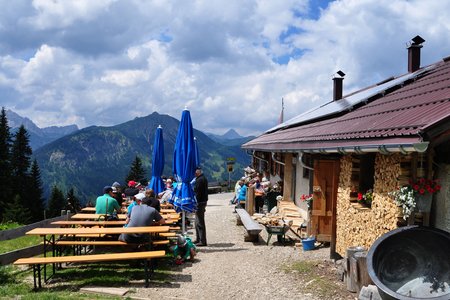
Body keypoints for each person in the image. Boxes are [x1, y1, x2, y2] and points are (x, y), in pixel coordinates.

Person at [193, 167, 208, 246]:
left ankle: (202, 241)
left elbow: (197, 193)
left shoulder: (200, 180)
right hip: (202, 202)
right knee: (197, 222)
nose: (194, 173)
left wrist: (194, 203)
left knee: (199, 222)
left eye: (195, 171)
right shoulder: (202, 178)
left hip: (199, 202)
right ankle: (198, 239)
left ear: (198, 171)